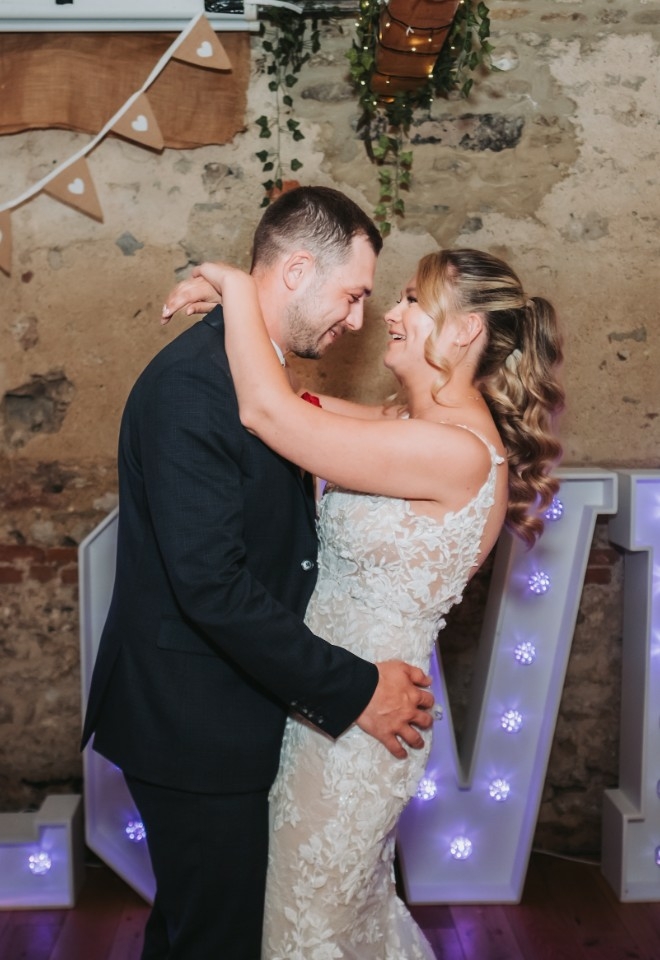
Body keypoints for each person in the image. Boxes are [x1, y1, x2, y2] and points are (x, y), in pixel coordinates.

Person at [169, 246, 564, 958]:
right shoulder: (409, 426)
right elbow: (302, 404)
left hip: (358, 731)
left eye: (413, 300)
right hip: (321, 702)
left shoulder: (457, 453)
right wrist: (256, 328)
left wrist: (235, 288)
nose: (392, 312)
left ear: (466, 330)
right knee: (321, 919)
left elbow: (271, 416)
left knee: (308, 928)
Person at [81, 186, 435, 960]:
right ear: (297, 270)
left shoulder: (257, 380)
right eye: (351, 296)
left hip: (235, 709)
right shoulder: (190, 388)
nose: (354, 320)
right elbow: (211, 585)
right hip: (192, 722)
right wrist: (355, 687)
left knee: (197, 932)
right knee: (217, 940)